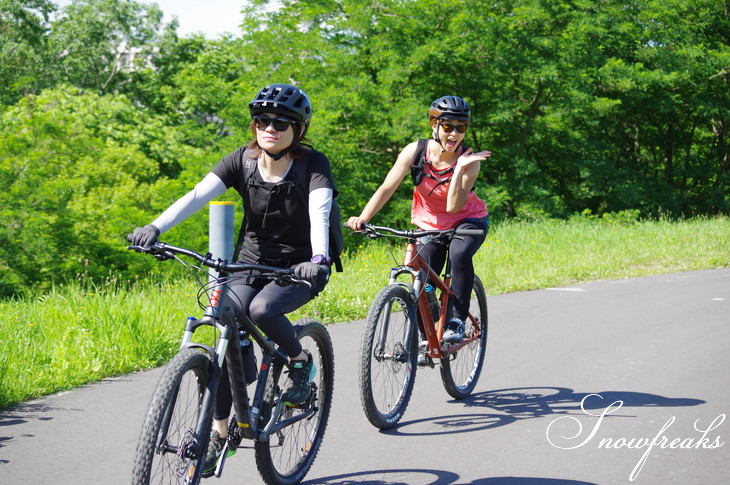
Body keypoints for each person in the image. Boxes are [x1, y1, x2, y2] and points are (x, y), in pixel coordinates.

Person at [128, 83, 336, 473]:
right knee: (224, 319)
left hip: (301, 264)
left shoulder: (312, 164)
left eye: (280, 122)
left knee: (261, 309)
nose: (269, 128)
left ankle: (299, 358)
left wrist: (319, 257)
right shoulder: (241, 160)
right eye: (262, 120)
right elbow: (196, 195)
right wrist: (154, 227)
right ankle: (221, 434)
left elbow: (319, 210)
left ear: (299, 129)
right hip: (252, 261)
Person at [347, 95, 490, 365]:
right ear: (433, 125)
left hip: (468, 221)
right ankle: (427, 338)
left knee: (459, 256)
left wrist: (458, 170)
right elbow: (387, 187)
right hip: (428, 224)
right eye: (448, 126)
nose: (455, 134)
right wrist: (363, 218)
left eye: (462, 128)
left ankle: (457, 322)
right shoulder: (416, 151)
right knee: (421, 278)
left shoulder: (471, 161)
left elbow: (452, 207)